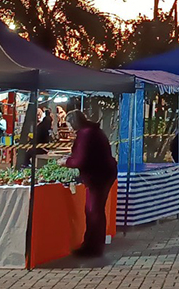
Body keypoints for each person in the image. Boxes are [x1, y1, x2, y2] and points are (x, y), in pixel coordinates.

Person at [58, 110, 117, 257]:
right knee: (96, 210)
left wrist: (65, 161)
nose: (69, 129)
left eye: (69, 125)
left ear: (74, 122)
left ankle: (92, 247)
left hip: (98, 176)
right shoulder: (93, 131)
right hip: (104, 174)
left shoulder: (86, 134)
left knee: (93, 211)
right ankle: (95, 244)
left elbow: (81, 160)